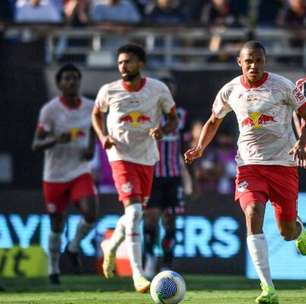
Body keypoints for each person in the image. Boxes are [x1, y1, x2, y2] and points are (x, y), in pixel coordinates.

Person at [184, 40, 306, 304]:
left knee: (287, 232)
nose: (253, 65)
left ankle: (301, 230)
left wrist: (302, 140)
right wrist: (200, 147)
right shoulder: (230, 90)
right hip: (249, 166)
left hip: (283, 165)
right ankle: (268, 289)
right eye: (248, 60)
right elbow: (214, 121)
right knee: (252, 213)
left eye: (258, 60)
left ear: (265, 61)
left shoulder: (283, 86)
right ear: (239, 62)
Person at [91, 44, 178, 293]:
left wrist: (163, 130)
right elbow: (96, 114)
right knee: (136, 211)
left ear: (140, 63)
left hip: (147, 158)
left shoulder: (158, 89)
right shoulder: (109, 90)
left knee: (134, 214)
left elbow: (174, 118)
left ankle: (110, 246)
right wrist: (102, 135)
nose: (123, 67)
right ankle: (138, 275)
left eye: (128, 62)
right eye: (120, 62)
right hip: (120, 156)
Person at [32, 64, 98, 285]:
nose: (71, 82)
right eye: (67, 79)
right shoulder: (50, 110)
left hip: (79, 170)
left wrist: (91, 148)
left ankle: (73, 246)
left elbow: (93, 130)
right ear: (59, 84)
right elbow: (36, 144)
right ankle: (53, 268)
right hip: (54, 174)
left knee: (90, 213)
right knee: (56, 223)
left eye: (75, 78)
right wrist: (54, 140)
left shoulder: (90, 106)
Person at [142, 75, 191, 279]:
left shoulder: (181, 115)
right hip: (151, 177)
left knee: (170, 221)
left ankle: (167, 264)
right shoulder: (145, 114)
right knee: (151, 220)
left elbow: (185, 148)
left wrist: (192, 179)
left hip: (173, 177)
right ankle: (150, 259)